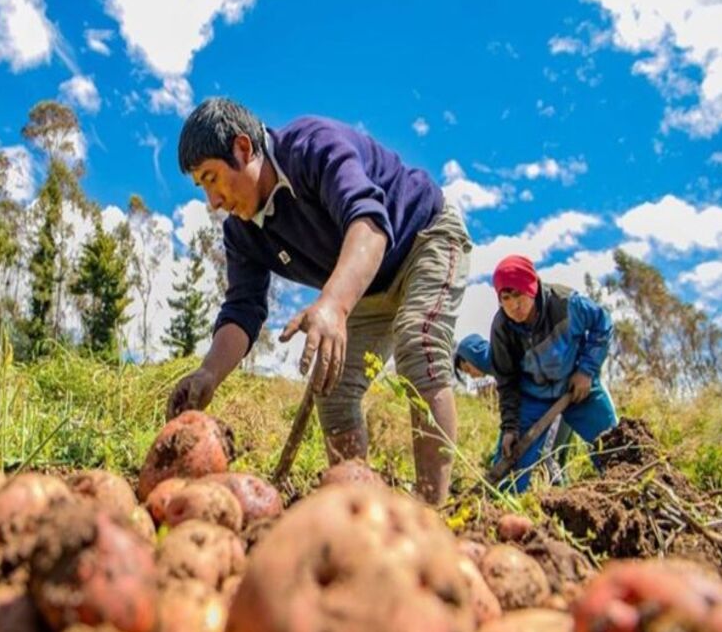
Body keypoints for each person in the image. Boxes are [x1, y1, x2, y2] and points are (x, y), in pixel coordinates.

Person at [166, 97, 473, 505]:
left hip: (423, 239)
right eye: (202, 187)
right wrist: (208, 373)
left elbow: (369, 224)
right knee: (333, 387)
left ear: (242, 149)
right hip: (367, 285)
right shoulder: (242, 233)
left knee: (418, 343)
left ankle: (433, 510)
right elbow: (243, 308)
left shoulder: (314, 146)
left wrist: (333, 305)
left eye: (212, 178)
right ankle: (353, 509)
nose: (213, 201)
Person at [489, 255, 618, 492]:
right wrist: (510, 427)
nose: (512, 306)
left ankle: (631, 494)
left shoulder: (566, 304)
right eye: (504, 298)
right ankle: (499, 515)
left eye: (518, 295)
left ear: (532, 287)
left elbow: (603, 323)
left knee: (614, 448)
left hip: (578, 387)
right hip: (533, 399)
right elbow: (507, 381)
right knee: (510, 473)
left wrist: (586, 371)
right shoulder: (502, 328)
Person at [454, 333, 575, 483]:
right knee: (556, 455)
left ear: (472, 356)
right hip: (563, 396)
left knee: (547, 455)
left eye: (467, 369)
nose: (471, 376)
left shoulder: (503, 358)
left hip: (557, 399)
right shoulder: (500, 362)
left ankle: (562, 498)